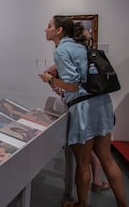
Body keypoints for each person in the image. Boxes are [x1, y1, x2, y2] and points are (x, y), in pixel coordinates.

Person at [39, 15, 127, 207]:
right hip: (102, 104)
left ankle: (81, 204)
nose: (45, 29)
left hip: (84, 109)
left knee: (83, 162)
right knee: (107, 159)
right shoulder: (81, 47)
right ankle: (123, 204)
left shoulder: (61, 51)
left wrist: (49, 79)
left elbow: (71, 85)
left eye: (49, 26)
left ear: (59, 30)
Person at [43, 29, 111, 195]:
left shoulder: (73, 56)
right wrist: (60, 89)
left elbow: (56, 77)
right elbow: (52, 75)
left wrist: (58, 87)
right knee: (90, 154)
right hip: (85, 108)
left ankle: (92, 184)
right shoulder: (80, 57)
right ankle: (93, 183)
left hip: (83, 108)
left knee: (88, 154)